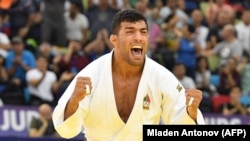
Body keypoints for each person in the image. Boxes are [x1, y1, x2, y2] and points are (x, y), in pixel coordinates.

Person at [52, 9, 205, 141]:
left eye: (143, 32)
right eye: (130, 31)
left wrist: (190, 113)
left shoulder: (161, 77)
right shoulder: (91, 75)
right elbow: (65, 130)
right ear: (114, 40)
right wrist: (74, 101)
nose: (138, 37)